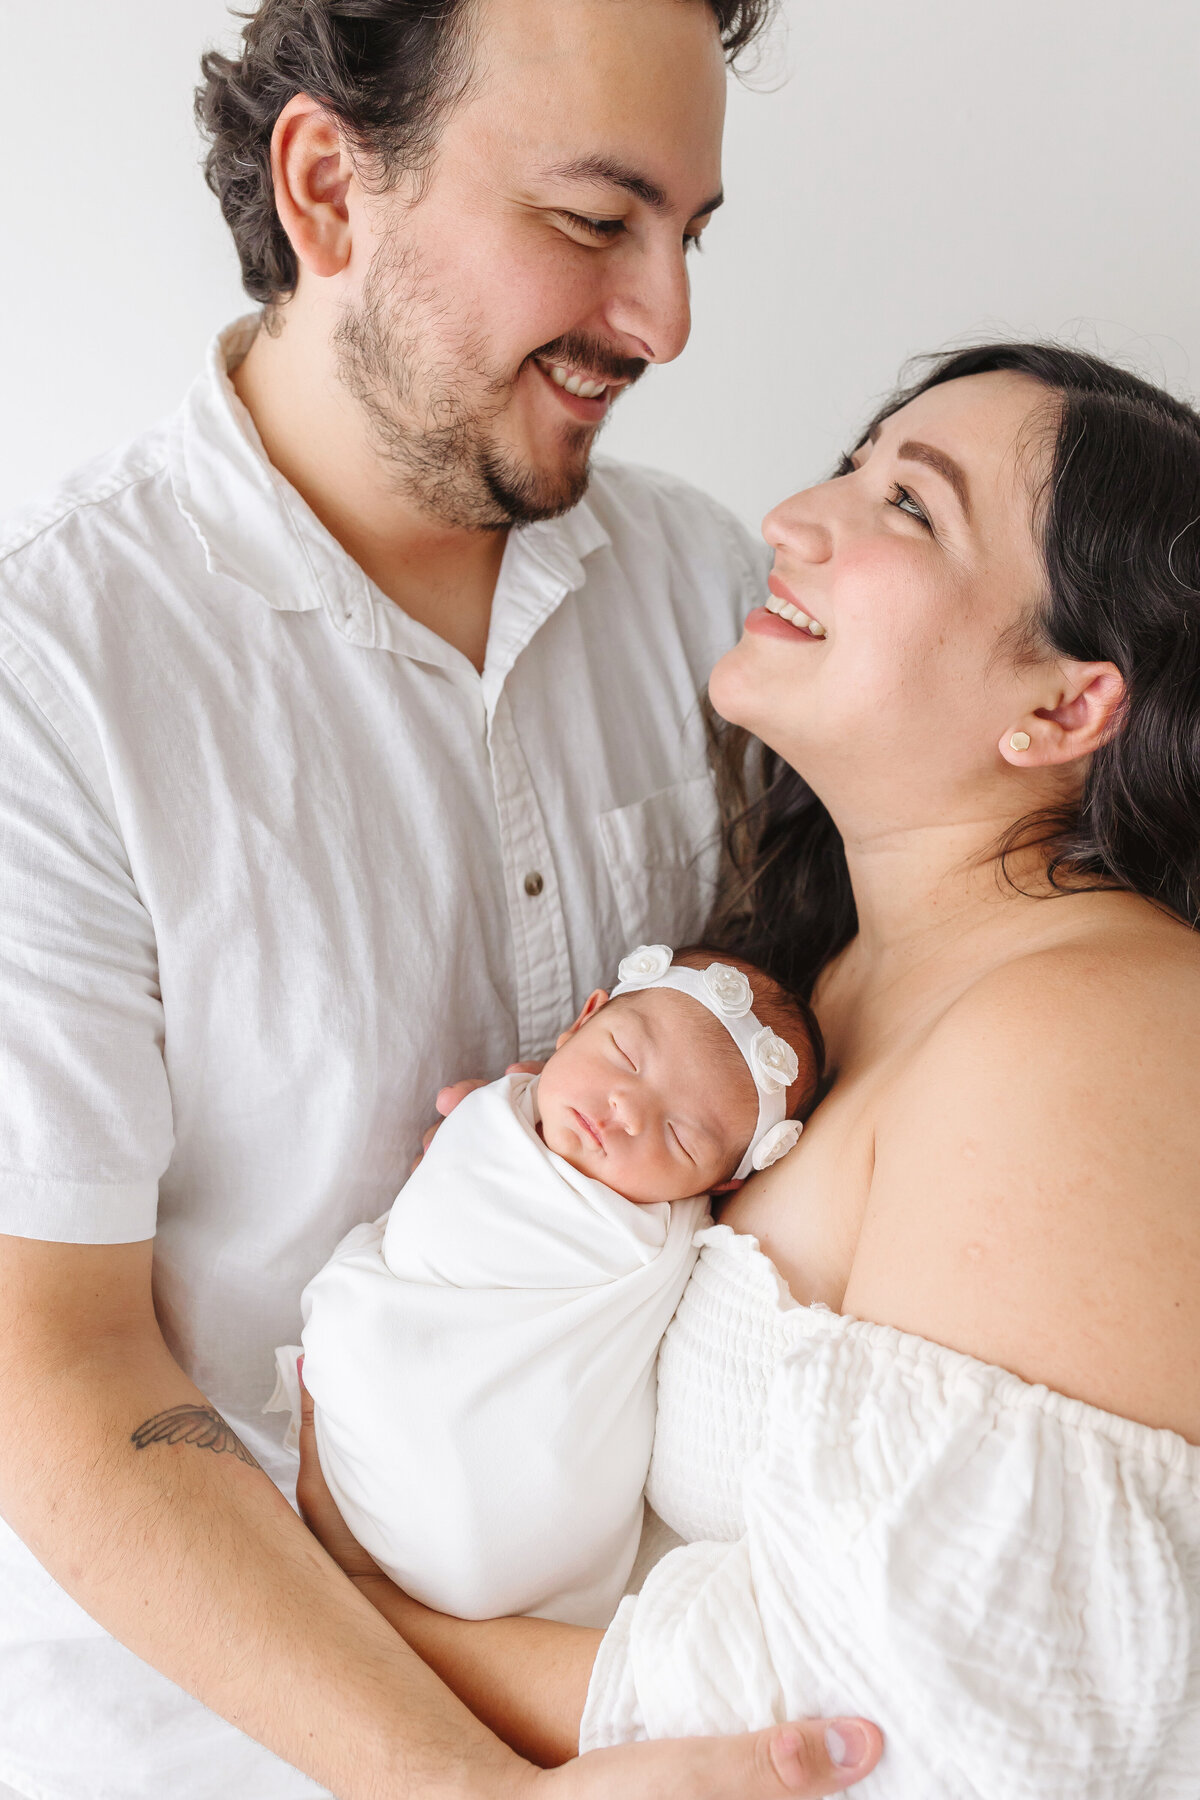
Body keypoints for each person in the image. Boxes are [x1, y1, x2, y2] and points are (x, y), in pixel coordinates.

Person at [0, 0, 882, 1796]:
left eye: (689, 236)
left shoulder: (712, 589)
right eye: (592, 221)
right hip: (230, 1748)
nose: (666, 322)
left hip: (668, 1700)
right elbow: (57, 1375)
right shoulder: (54, 687)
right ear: (327, 188)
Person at [297, 343, 1200, 1797]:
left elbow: (900, 1731)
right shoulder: (820, 982)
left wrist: (357, 1605)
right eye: (856, 462)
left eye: (908, 505)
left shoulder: (1088, 1030)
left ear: (1065, 710)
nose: (794, 515)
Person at [272, 946, 819, 1628]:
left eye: (679, 1137)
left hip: (519, 1535)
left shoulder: (656, 1237)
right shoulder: (490, 1116)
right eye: (624, 1055)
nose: (625, 1110)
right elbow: (423, 1239)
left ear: (718, 1187)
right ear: (581, 1020)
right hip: (384, 1437)